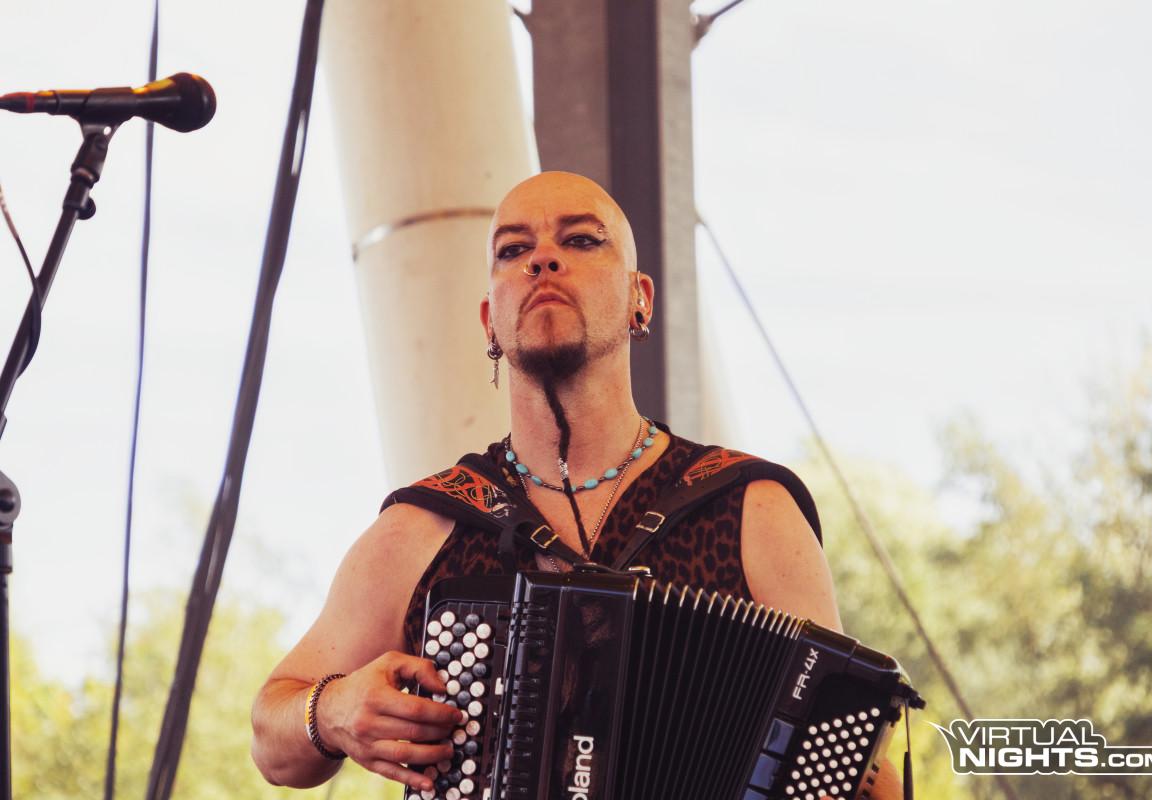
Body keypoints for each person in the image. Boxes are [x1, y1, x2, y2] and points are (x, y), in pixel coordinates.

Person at [251, 171, 900, 799]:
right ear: (489, 320)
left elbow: (855, 760)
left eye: (582, 240)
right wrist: (331, 711)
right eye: (513, 250)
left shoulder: (749, 508)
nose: (543, 260)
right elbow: (271, 740)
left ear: (640, 298)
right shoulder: (424, 527)